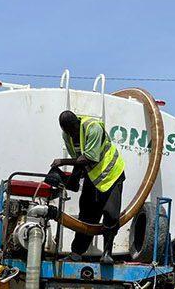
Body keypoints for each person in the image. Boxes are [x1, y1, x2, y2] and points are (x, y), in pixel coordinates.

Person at [50, 110, 127, 265]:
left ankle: (107, 254)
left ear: (76, 124)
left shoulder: (93, 128)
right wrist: (73, 180)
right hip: (93, 178)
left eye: (72, 130)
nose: (71, 135)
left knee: (111, 215)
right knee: (86, 215)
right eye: (67, 132)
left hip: (111, 174)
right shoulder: (67, 136)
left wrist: (62, 162)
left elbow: (90, 158)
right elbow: (79, 161)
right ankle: (76, 253)